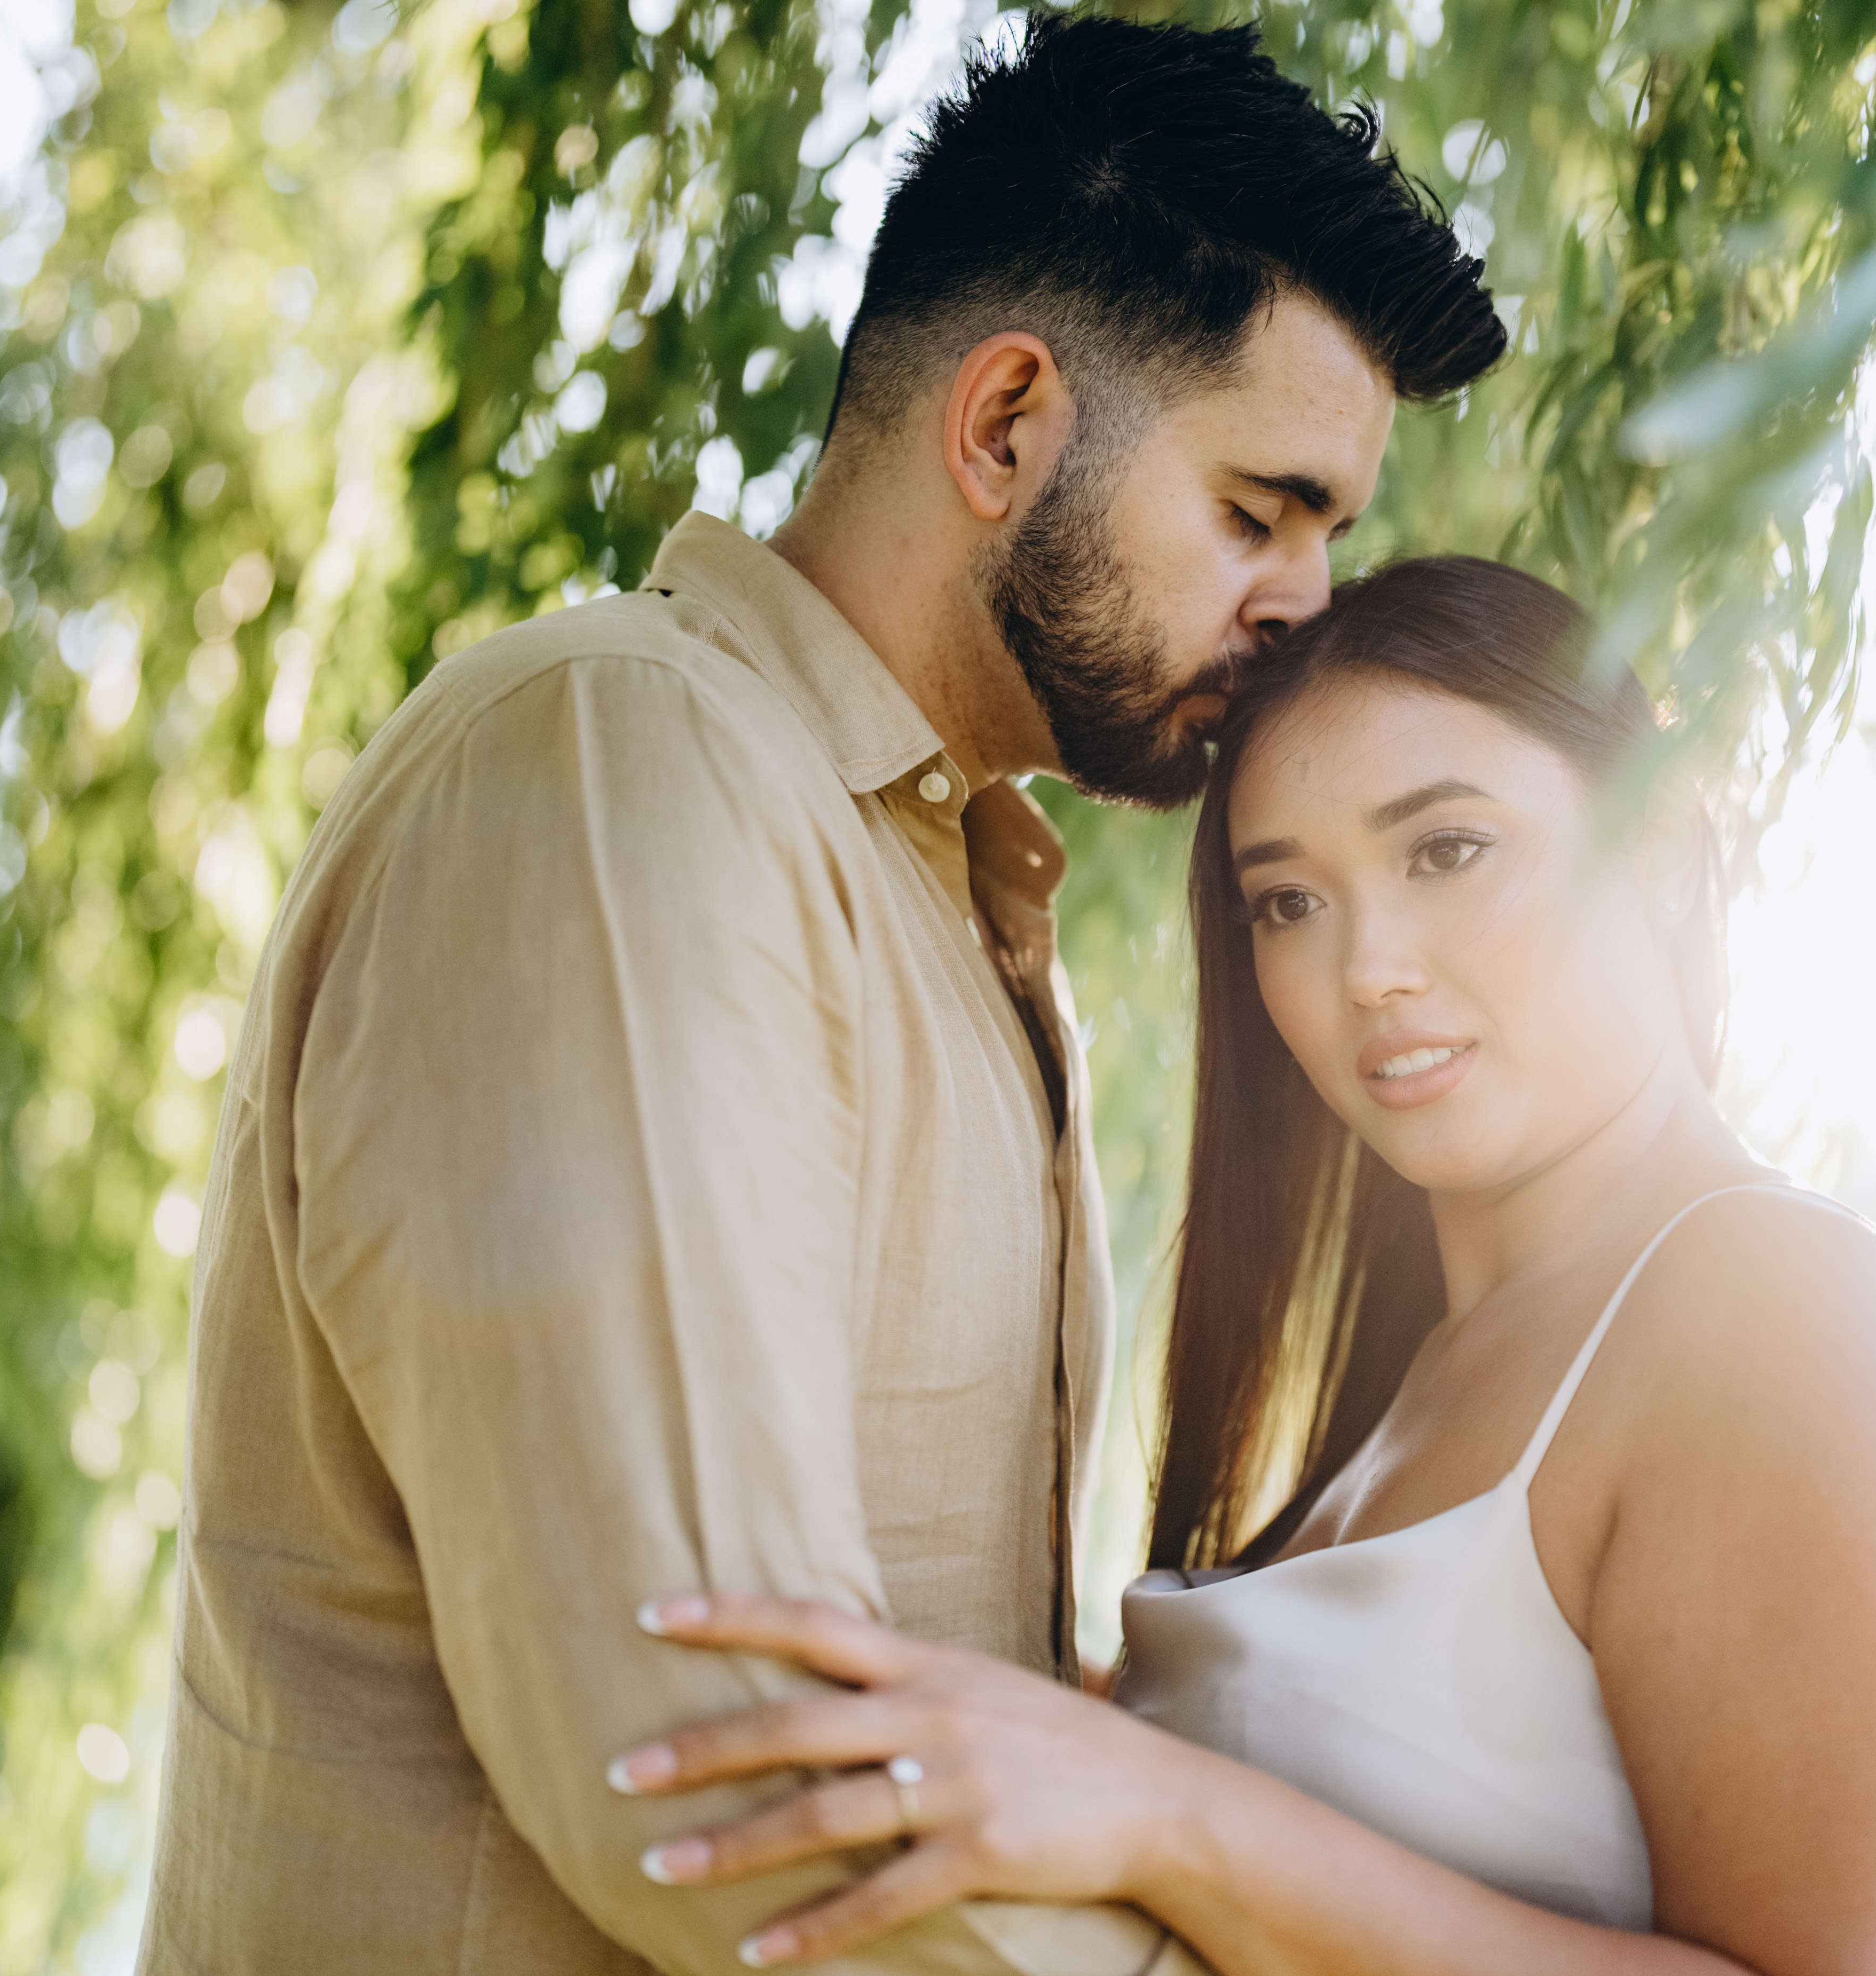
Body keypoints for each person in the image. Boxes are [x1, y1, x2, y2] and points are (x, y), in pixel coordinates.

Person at [135, 15, 1500, 1975]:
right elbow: (723, 1762)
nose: (1306, 610)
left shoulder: (965, 922)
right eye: (1254, 512)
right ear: (1007, 423)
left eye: (1327, 538)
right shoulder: (626, 764)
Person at [598, 559, 1876, 1975]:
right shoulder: (1427, 1361)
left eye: (1446, 850)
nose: (1369, 967)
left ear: (1658, 850)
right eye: (1286, 903)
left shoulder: (1791, 1318)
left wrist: (1170, 1813)